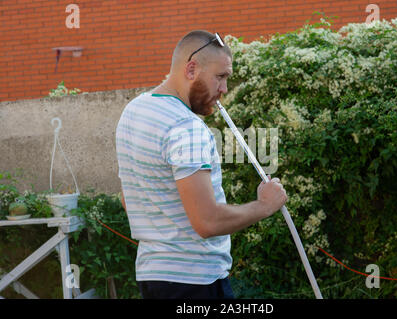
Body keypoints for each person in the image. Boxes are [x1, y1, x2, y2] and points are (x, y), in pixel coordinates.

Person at [115, 30, 287, 299]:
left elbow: (129, 199)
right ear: (192, 68)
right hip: (195, 282)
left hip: (152, 277)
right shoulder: (186, 126)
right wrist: (265, 206)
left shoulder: (133, 112)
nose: (224, 89)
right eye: (220, 77)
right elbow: (207, 222)